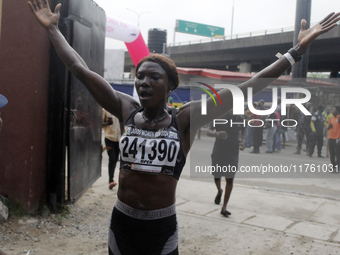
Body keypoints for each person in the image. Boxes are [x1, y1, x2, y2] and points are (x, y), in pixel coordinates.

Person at [27, 1, 340, 253]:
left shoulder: (185, 118)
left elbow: (248, 87)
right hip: (121, 223)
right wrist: (54, 30)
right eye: (139, 76)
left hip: (161, 229)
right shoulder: (126, 109)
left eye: (153, 77)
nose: (143, 82)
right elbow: (79, 69)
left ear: (170, 85)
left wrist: (295, 52)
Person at [207, 111, 246, 216]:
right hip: (219, 151)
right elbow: (208, 131)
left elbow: (244, 129)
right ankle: (219, 191)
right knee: (217, 176)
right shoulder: (219, 117)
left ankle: (224, 207)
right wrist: (216, 134)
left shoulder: (240, 119)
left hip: (232, 153)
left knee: (230, 178)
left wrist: (242, 141)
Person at [103, 109, 121, 189]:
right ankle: (111, 180)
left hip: (119, 139)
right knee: (112, 159)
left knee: (116, 159)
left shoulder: (120, 110)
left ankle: (115, 179)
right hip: (109, 138)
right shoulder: (105, 110)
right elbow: (99, 123)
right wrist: (107, 123)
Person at [327, 106, 340, 172]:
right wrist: (329, 127)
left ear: (338, 111)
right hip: (330, 138)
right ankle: (333, 166)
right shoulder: (331, 118)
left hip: (337, 139)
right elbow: (327, 128)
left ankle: (337, 168)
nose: (332, 111)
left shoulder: (339, 118)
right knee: (331, 153)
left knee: (337, 154)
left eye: (334, 110)